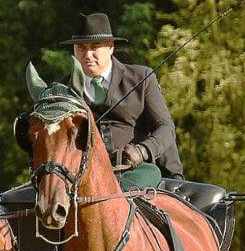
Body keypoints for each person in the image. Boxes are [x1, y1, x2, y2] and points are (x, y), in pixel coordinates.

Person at [59, 12, 184, 187]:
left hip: (135, 171)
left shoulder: (141, 78)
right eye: (81, 48)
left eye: (95, 47)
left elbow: (165, 127)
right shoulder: (62, 89)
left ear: (110, 47)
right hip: (81, 176)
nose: (87, 54)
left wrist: (142, 151)